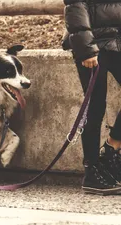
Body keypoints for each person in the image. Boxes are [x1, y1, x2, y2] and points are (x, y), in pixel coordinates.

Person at [62, 0, 121, 195]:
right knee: (95, 106)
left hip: (117, 40)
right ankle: (92, 170)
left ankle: (111, 149)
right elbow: (75, 6)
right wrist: (86, 49)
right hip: (92, 44)